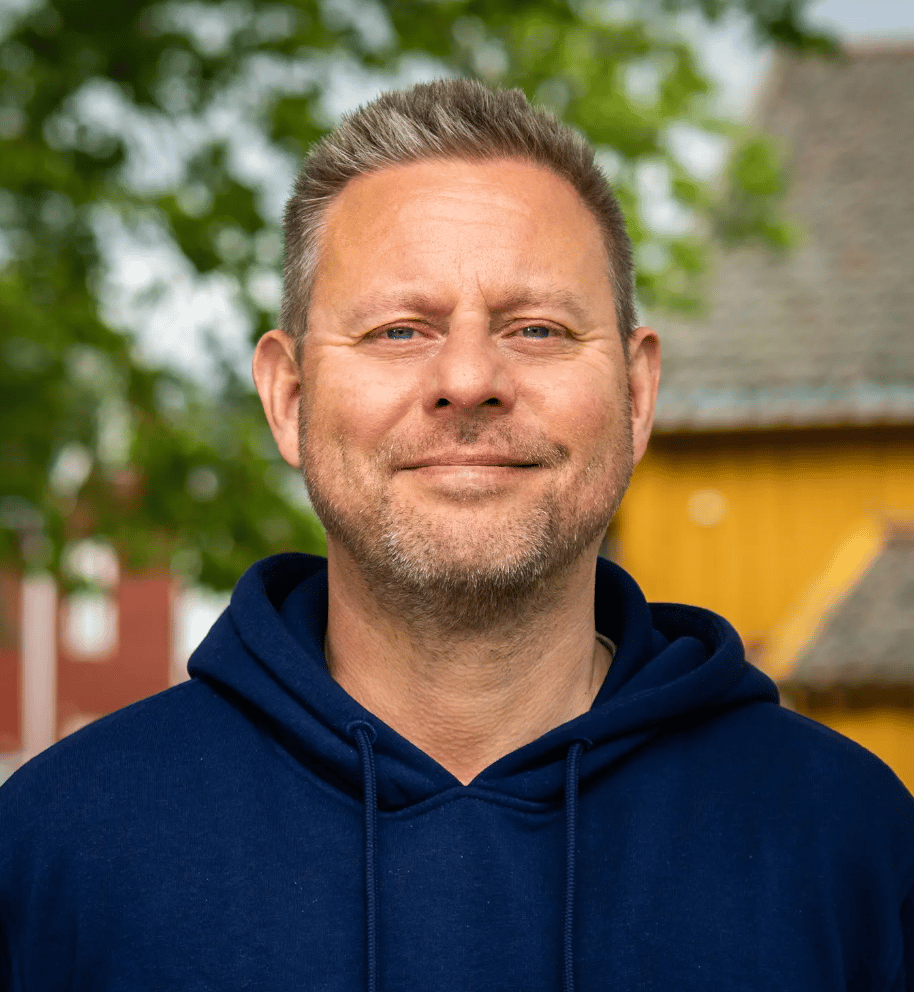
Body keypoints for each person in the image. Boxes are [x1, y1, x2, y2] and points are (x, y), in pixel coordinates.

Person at [1, 79, 912, 992]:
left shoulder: (855, 846)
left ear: (637, 396)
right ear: (288, 398)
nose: (470, 377)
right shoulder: (57, 852)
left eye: (538, 329)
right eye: (399, 330)